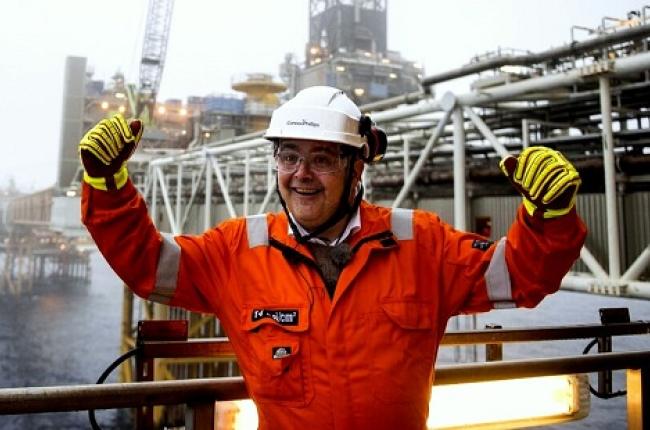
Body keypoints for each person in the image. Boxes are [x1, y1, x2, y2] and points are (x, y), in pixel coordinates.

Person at [79, 86, 586, 430]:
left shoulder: (421, 244)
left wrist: (551, 214)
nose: (301, 174)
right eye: (288, 156)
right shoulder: (236, 252)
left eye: (321, 158)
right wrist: (106, 185)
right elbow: (148, 265)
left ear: (356, 167)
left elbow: (520, 276)